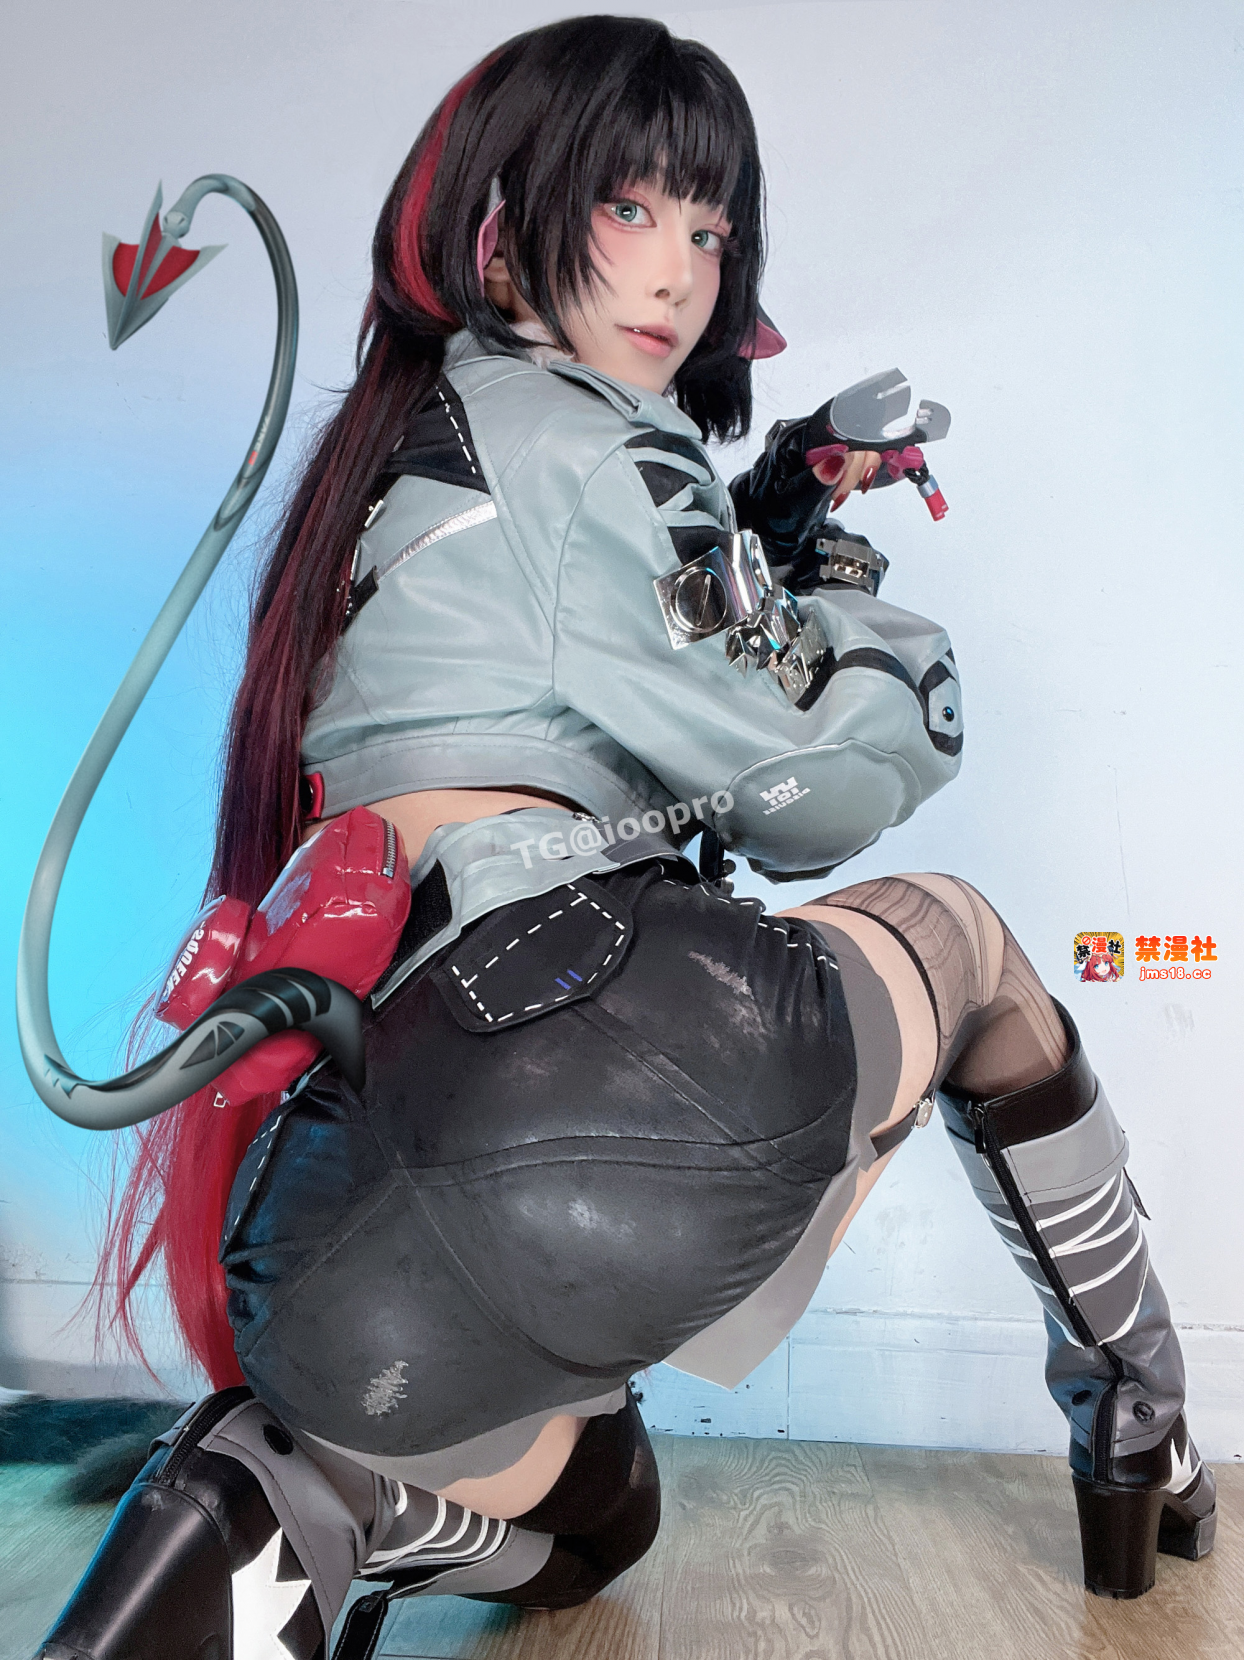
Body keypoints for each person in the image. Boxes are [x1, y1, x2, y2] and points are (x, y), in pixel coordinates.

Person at [44, 17, 1213, 1660]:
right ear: (500, 229)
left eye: (712, 230)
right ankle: (1142, 1431)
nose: (678, 272)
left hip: (357, 1179)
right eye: (632, 207)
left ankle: (271, 1491)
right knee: (967, 945)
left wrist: (776, 507)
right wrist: (863, 614)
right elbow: (811, 790)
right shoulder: (597, 445)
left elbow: (592, 656)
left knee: (604, 1520)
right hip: (607, 1057)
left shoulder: (402, 457)